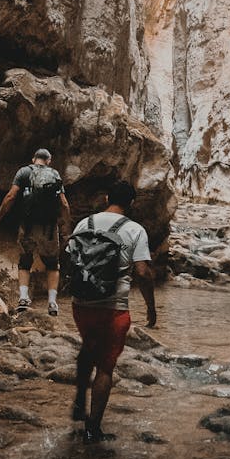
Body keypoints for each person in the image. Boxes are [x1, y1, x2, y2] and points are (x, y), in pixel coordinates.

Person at [69, 178, 157, 444]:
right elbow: (142, 272)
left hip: (81, 303)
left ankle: (79, 397)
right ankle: (93, 428)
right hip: (114, 307)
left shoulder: (85, 224)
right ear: (131, 203)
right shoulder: (134, 230)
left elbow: (71, 257)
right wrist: (151, 308)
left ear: (106, 198)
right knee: (106, 366)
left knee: (88, 346)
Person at [0, 147, 71, 316]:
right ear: (49, 161)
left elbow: (10, 197)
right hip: (49, 228)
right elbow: (64, 204)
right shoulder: (55, 174)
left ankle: (24, 299)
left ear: (34, 159)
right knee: (52, 264)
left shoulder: (23, 172)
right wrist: (65, 227)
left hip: (27, 227)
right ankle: (52, 302)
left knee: (25, 261)